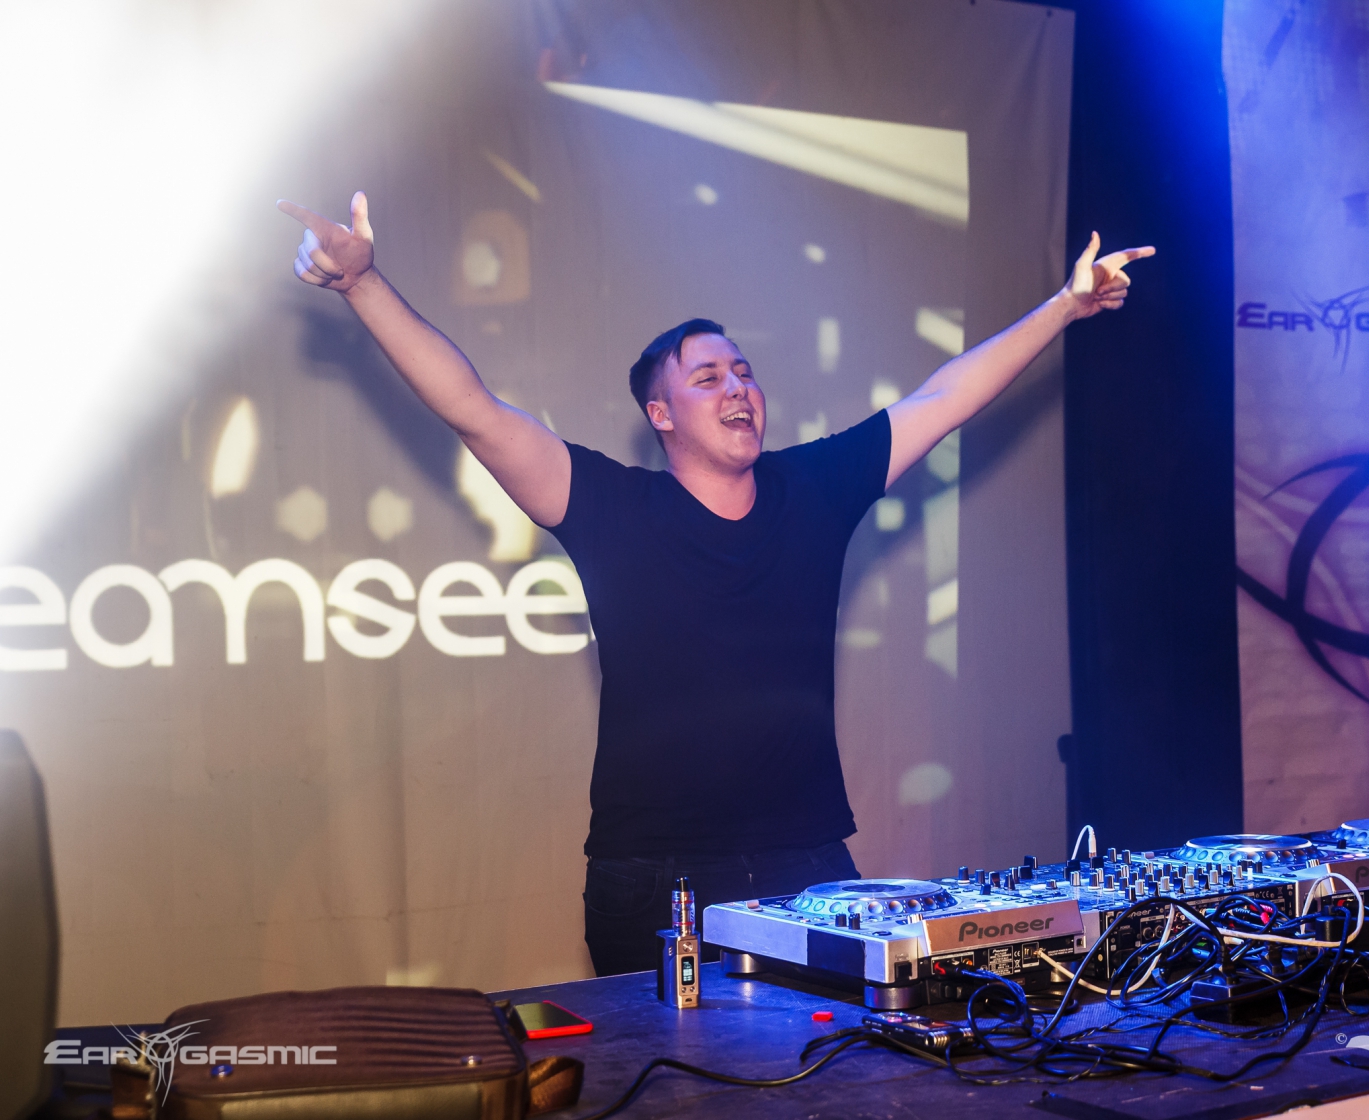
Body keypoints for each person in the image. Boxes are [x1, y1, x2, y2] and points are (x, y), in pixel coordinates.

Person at [279, 191, 1152, 976]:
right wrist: (363, 283)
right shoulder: (608, 505)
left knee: (846, 1074)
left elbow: (943, 398)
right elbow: (472, 407)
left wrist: (1066, 305)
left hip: (809, 864)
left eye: (744, 371)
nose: (738, 388)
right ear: (660, 414)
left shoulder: (813, 489)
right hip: (655, 876)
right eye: (708, 378)